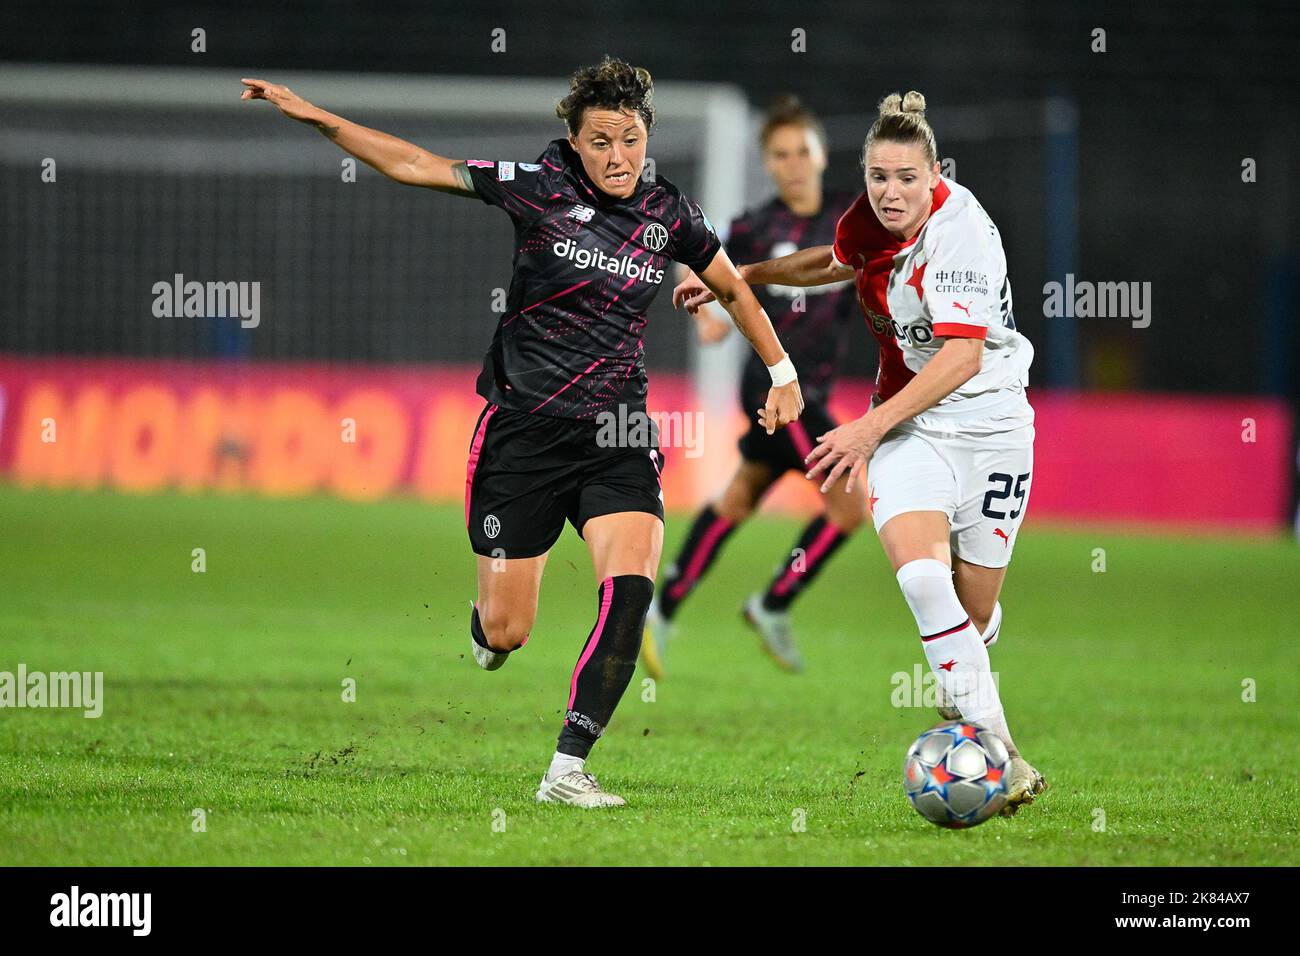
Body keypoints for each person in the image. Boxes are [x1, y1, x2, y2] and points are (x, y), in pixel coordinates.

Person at [241, 56, 803, 808]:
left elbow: (731, 284)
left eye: (630, 140)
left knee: (630, 589)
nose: (617, 157)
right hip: (524, 434)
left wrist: (782, 370)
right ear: (573, 140)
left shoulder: (670, 212)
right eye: (601, 141)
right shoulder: (537, 187)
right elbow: (416, 164)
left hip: (617, 429)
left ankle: (567, 769)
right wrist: (314, 115)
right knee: (507, 632)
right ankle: (487, 629)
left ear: (647, 139)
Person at [674, 91, 1046, 813]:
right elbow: (831, 264)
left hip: (994, 430)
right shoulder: (867, 220)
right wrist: (745, 277)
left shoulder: (960, 230)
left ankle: (965, 663)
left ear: (934, 174)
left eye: (906, 177)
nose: (890, 191)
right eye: (878, 176)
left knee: (970, 619)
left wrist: (864, 430)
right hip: (910, 431)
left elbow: (961, 358)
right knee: (921, 582)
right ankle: (1007, 760)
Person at [644, 95, 862, 677]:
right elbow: (701, 266)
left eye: (802, 151)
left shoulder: (849, 218)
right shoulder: (753, 227)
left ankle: (660, 609)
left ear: (819, 154)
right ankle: (773, 603)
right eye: (780, 154)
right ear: (768, 162)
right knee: (848, 508)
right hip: (775, 389)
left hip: (810, 390)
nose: (793, 163)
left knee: (739, 497)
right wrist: (710, 316)